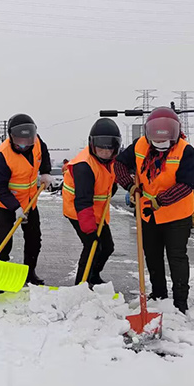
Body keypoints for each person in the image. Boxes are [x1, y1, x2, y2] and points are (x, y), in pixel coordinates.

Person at [114, 107, 194, 313]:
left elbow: (187, 184)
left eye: (166, 141)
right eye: (157, 141)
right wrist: (130, 185)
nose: (161, 145)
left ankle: (180, 302)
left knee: (176, 257)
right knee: (152, 256)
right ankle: (159, 294)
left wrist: (161, 200)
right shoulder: (139, 146)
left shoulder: (185, 151)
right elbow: (119, 165)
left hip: (177, 215)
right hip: (148, 214)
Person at [0, 113, 53, 285]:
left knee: (34, 239)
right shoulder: (0, 156)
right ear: (11, 136)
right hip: (6, 204)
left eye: (28, 140)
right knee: (4, 240)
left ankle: (29, 272)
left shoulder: (37, 141)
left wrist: (46, 172)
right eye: (20, 140)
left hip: (30, 201)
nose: (24, 144)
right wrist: (15, 208)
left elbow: (44, 154)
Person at [63, 119, 121, 285]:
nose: (104, 151)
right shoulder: (84, 166)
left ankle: (94, 276)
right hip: (78, 210)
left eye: (109, 148)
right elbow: (82, 201)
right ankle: (80, 284)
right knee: (92, 246)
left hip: (97, 210)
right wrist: (90, 230)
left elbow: (110, 179)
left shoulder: (112, 161)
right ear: (92, 144)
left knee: (107, 247)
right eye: (100, 147)